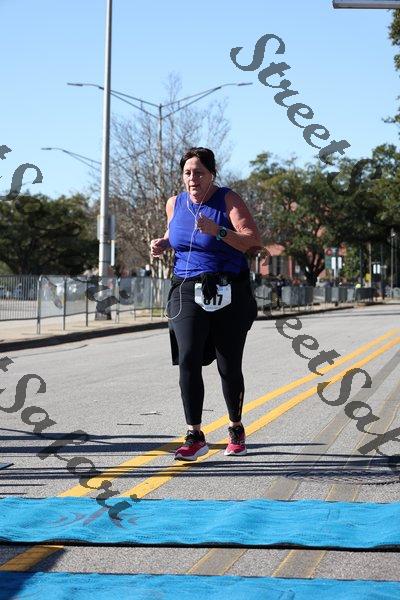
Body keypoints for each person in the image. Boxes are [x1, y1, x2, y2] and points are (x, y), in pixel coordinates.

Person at [150, 147, 262, 461]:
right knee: (188, 357)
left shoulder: (228, 199)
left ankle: (236, 428)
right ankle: (194, 435)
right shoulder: (174, 203)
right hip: (186, 286)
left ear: (212, 174)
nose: (192, 178)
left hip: (227, 286)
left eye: (199, 172)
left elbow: (252, 241)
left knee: (229, 364)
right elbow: (175, 235)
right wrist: (162, 243)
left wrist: (219, 231)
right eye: (187, 173)